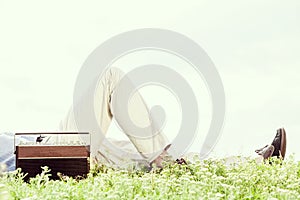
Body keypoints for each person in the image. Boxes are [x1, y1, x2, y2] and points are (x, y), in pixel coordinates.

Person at [0, 68, 287, 171]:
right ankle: (160, 159)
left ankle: (256, 163)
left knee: (148, 156)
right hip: (36, 159)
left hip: (40, 147)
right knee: (110, 78)